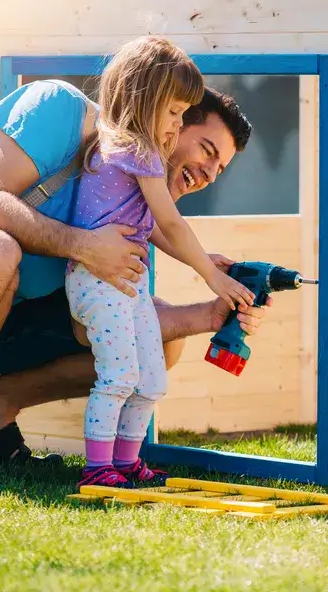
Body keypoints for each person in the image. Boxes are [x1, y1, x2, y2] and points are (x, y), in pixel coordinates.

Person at [0, 35, 269, 479]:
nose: (208, 173)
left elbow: (108, 315)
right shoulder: (60, 107)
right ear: (163, 111)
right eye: (205, 148)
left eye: (219, 168)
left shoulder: (126, 199)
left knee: (151, 346)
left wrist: (211, 313)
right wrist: (84, 246)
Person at [63, 37, 254, 489]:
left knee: (150, 378)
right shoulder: (138, 150)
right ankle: (97, 466)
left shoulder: (121, 150)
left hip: (125, 284)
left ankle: (127, 461)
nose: (176, 122)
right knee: (120, 375)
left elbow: (148, 226)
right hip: (98, 282)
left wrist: (202, 259)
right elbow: (169, 219)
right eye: (174, 112)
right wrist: (210, 277)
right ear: (145, 98)